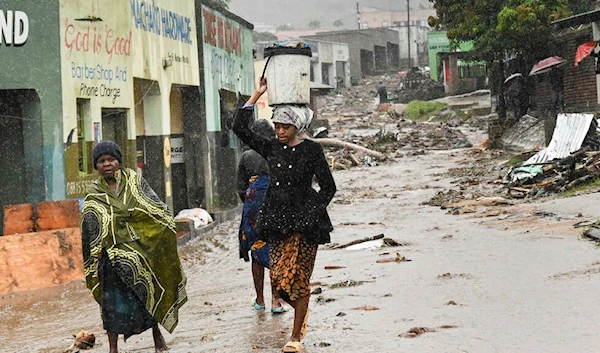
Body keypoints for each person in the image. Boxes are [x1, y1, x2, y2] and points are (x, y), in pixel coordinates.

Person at [233, 78, 337, 353]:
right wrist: (256, 94)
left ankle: (295, 337)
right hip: (276, 223)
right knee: (279, 283)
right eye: (277, 126)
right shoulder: (272, 148)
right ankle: (302, 313)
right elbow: (239, 127)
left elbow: (328, 187)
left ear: (297, 127)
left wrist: (311, 213)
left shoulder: (312, 150)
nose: (279, 131)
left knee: (297, 279)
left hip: (306, 227)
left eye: (285, 126)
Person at [80, 141, 187, 353]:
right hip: (110, 262)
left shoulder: (135, 183)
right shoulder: (93, 196)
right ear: (96, 166)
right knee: (111, 308)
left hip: (141, 255)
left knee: (147, 296)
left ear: (118, 161)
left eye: (111, 159)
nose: (107, 164)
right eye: (102, 161)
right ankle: (113, 349)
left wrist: (148, 234)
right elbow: (89, 227)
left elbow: (157, 210)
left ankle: (158, 337)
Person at [237, 119, 286, 314]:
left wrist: (251, 204)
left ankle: (260, 300)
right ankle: (276, 301)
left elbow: (241, 187)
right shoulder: (280, 152)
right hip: (277, 202)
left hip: (253, 205)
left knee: (257, 250)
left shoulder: (247, 156)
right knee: (276, 250)